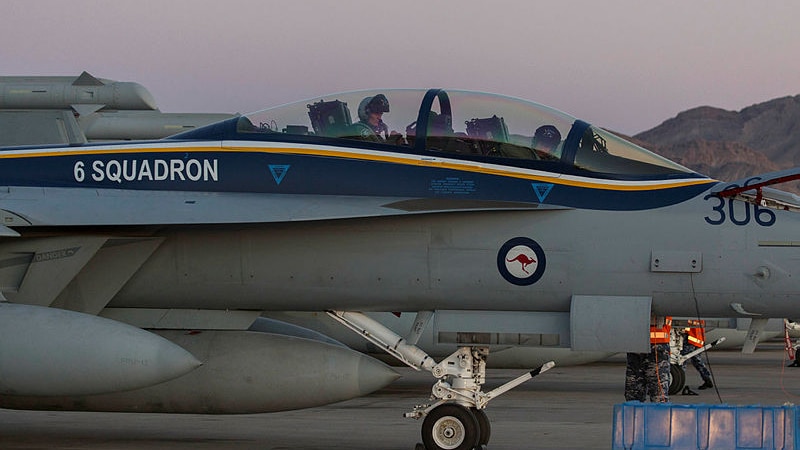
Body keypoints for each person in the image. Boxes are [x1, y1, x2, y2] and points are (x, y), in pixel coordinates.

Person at [625, 315, 671, 403]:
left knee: (659, 397)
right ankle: (634, 415)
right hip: (636, 347)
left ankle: (658, 416)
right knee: (633, 396)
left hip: (657, 346)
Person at [680, 320, 713, 391]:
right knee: (697, 361)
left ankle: (679, 380)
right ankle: (707, 379)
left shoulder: (688, 316)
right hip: (698, 341)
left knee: (682, 360)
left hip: (690, 340)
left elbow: (685, 326)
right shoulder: (698, 316)